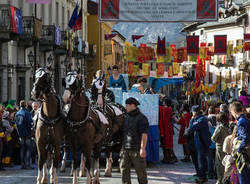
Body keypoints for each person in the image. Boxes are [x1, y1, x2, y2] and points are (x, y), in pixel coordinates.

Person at [120, 97, 149, 184]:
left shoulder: (142, 118)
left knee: (141, 173)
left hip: (136, 150)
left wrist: (142, 148)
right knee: (124, 171)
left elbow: (144, 134)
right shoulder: (125, 116)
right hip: (125, 148)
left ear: (133, 105)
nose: (126, 107)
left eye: (127, 105)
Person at [188, 105, 211, 183]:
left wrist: (191, 120)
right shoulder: (200, 119)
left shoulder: (201, 119)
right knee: (200, 160)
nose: (192, 113)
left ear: (195, 112)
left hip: (202, 143)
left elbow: (191, 128)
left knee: (201, 161)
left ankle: (202, 177)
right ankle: (201, 175)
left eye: (192, 112)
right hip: (199, 143)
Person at [230, 101, 250, 183]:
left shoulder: (241, 121)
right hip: (247, 151)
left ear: (234, 111)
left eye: (231, 112)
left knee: (243, 178)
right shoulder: (246, 119)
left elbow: (245, 138)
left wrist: (239, 150)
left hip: (243, 153)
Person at [211, 112, 230, 184]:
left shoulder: (219, 127)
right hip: (227, 148)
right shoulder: (228, 127)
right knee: (226, 165)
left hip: (219, 148)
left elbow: (213, 138)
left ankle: (220, 181)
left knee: (219, 166)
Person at [15, 100, 33, 169]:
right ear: (25, 105)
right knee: (28, 148)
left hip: (20, 133)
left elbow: (16, 124)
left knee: (22, 149)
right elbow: (29, 123)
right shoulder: (27, 112)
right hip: (27, 133)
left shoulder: (17, 113)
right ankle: (28, 164)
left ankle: (22, 164)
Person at [159, 98, 177, 163]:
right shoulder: (169, 109)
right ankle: (168, 157)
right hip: (168, 127)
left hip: (166, 128)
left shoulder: (165, 109)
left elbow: (159, 108)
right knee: (167, 143)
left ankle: (173, 157)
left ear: (165, 103)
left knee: (167, 144)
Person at [207, 106, 217, 179]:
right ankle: (216, 174)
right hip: (216, 143)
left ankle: (210, 174)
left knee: (209, 160)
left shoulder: (206, 120)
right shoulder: (218, 119)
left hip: (209, 142)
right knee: (216, 160)